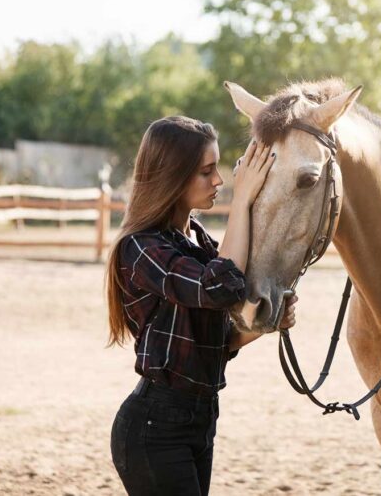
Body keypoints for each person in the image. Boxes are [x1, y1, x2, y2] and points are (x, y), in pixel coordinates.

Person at [105, 116, 293, 495]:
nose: (219, 182)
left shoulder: (195, 238)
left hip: (200, 418)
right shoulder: (141, 247)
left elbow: (213, 343)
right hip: (155, 428)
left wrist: (264, 325)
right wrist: (242, 201)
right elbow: (219, 287)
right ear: (173, 176)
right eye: (207, 172)